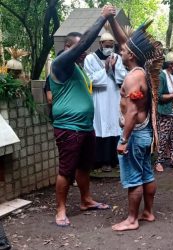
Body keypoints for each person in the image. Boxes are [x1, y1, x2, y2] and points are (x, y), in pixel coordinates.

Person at [49, 6, 115, 227]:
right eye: (80, 48)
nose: (85, 51)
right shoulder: (61, 64)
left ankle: (86, 200)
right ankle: (60, 209)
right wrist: (102, 18)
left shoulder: (78, 68)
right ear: (68, 47)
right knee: (66, 169)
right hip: (69, 128)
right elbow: (85, 42)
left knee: (84, 166)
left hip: (86, 127)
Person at [107, 10, 163, 231]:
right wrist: (111, 19)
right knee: (146, 174)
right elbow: (125, 42)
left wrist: (123, 139)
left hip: (134, 134)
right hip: (144, 133)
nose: (120, 51)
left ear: (131, 55)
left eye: (123, 51)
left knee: (133, 178)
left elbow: (130, 113)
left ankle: (132, 220)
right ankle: (148, 212)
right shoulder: (143, 71)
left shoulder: (132, 78)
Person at [84, 31, 127, 172]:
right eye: (106, 45)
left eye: (111, 45)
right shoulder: (90, 59)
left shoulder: (116, 57)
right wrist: (106, 68)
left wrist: (114, 67)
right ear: (100, 44)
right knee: (100, 126)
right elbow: (89, 79)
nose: (109, 48)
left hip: (114, 95)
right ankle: (100, 161)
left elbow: (123, 77)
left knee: (115, 125)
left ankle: (114, 160)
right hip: (99, 97)